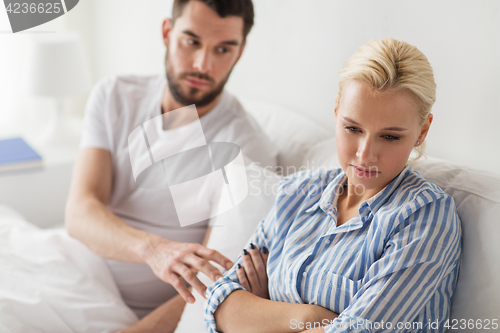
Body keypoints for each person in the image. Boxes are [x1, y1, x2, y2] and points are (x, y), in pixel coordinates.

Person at [205, 37, 462, 333]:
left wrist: (262, 313)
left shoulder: (425, 217)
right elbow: (219, 305)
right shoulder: (297, 192)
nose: (365, 154)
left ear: (422, 130)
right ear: (337, 111)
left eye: (390, 136)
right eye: (352, 128)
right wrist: (310, 317)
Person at [65, 0, 277, 330]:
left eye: (223, 49)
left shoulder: (246, 149)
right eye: (191, 41)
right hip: (73, 269)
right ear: (167, 32)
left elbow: (214, 280)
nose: (202, 65)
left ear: (240, 52)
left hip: (137, 314)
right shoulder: (114, 96)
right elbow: (79, 212)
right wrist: (154, 249)